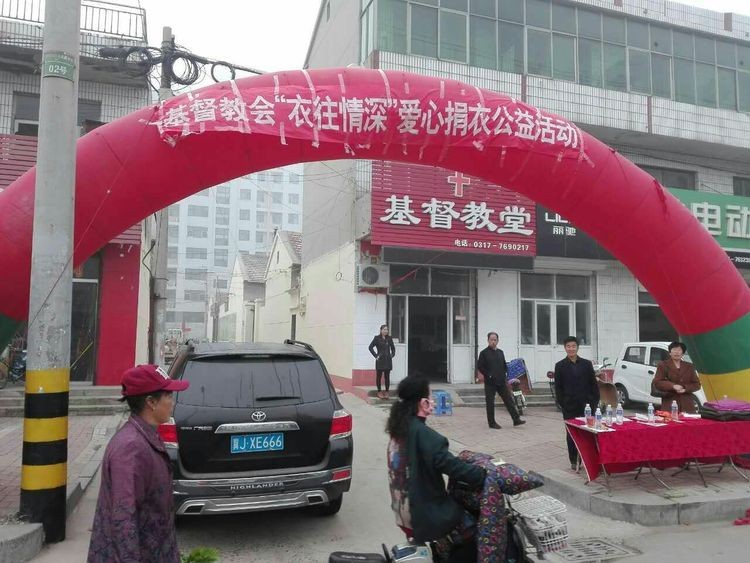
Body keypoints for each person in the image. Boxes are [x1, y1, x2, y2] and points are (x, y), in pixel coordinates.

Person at [88, 365, 189, 563]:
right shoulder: (130, 449)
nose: (173, 401)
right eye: (168, 395)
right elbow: (124, 519)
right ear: (151, 402)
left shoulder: (146, 434)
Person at [386, 375, 485, 562]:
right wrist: (481, 474)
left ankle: (441, 551)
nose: (432, 401)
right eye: (430, 397)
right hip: (423, 512)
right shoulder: (423, 433)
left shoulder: (400, 428)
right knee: (473, 530)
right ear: (423, 403)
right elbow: (450, 465)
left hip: (403, 512)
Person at [554, 336, 599, 470]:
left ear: (577, 347)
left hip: (587, 406)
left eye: (573, 346)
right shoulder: (560, 366)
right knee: (571, 434)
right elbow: (558, 388)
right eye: (568, 346)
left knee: (588, 433)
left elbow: (593, 385)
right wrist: (563, 403)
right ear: (565, 348)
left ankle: (588, 459)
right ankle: (574, 460)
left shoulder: (586, 364)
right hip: (569, 407)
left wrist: (594, 403)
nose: (571, 349)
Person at [476, 332, 525, 429]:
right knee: (490, 403)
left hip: (501, 381)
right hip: (490, 383)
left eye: (495, 340)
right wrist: (488, 375)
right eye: (491, 340)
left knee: (509, 400)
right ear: (488, 340)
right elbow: (480, 366)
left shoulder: (500, 352)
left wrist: (506, 374)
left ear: (498, 341)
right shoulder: (484, 353)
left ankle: (516, 420)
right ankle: (492, 423)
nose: (493, 342)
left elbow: (504, 365)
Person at [652, 341, 702, 413]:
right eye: (674, 350)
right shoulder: (663, 365)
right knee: (671, 419)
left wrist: (685, 389)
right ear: (670, 352)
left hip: (687, 404)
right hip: (670, 402)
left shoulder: (689, 366)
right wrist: (673, 386)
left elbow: (697, 384)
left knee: (688, 420)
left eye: (679, 350)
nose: (676, 352)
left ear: (683, 353)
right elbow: (658, 382)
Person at [369, 324, 396, 399]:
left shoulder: (389, 338)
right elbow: (370, 347)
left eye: (387, 329)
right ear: (381, 330)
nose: (386, 331)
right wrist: (376, 356)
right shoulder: (376, 338)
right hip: (380, 360)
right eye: (384, 329)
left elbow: (393, 348)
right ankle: (379, 391)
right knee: (379, 376)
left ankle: (387, 391)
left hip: (388, 360)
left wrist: (392, 355)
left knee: (387, 377)